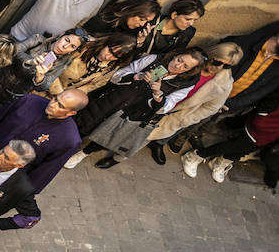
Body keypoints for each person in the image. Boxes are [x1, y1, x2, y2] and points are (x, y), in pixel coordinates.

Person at [71, 48, 207, 169]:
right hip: (115, 99)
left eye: (185, 66)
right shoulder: (154, 59)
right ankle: (69, 144)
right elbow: (116, 76)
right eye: (179, 59)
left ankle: (83, 153)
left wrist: (157, 94)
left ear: (189, 71)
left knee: (109, 134)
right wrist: (137, 76)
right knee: (86, 122)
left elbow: (168, 106)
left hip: (133, 113)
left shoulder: (185, 83)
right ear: (176, 54)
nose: (177, 65)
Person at [0, 90, 87, 194]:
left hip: (6, 170)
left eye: (60, 106)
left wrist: (24, 191)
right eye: (55, 99)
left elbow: (48, 169)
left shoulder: (69, 139)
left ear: (71, 113)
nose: (52, 104)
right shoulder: (29, 100)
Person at [142, 43, 243, 163]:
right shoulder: (190, 63)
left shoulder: (225, 83)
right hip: (155, 100)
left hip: (177, 114)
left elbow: (211, 107)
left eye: (226, 66)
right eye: (217, 62)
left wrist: (188, 119)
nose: (219, 68)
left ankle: (157, 144)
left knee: (152, 135)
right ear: (211, 55)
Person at [180, 87, 279, 187]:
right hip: (264, 124)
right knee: (235, 145)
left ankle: (221, 161)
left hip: (271, 134)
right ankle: (195, 156)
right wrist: (261, 119)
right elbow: (270, 101)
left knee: (245, 149)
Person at [48, 33, 141, 97]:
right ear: (107, 43)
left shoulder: (111, 68)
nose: (108, 56)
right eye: (110, 50)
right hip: (44, 85)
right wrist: (57, 91)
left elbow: (93, 86)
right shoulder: (84, 47)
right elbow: (54, 64)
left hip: (61, 99)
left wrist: (68, 96)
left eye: (115, 56)